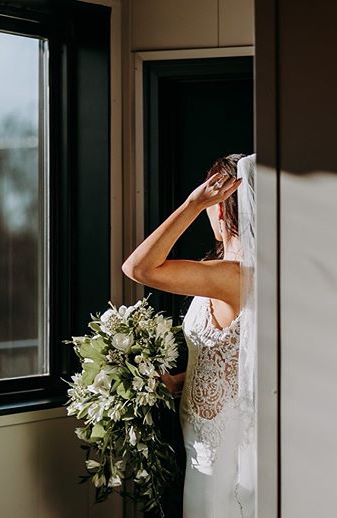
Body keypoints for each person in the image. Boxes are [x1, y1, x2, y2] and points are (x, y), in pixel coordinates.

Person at [122, 154, 256, 518]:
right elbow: (235, 358)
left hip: (219, 444)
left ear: (222, 208)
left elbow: (137, 267)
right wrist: (179, 381)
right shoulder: (231, 273)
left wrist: (192, 204)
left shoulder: (232, 275)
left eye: (212, 198)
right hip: (204, 432)